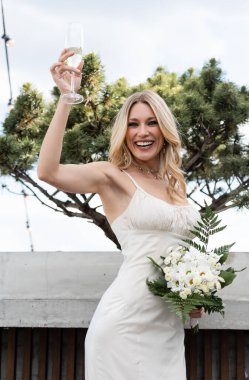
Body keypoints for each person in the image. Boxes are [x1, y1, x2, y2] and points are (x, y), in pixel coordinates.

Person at [37, 49, 204, 380]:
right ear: (124, 133)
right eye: (134, 124)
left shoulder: (176, 186)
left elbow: (178, 257)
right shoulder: (112, 176)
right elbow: (48, 171)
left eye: (151, 123)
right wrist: (66, 99)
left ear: (164, 129)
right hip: (122, 327)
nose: (143, 132)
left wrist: (194, 295)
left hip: (168, 334)